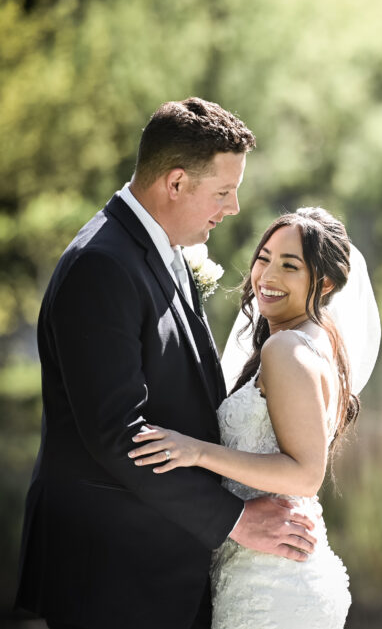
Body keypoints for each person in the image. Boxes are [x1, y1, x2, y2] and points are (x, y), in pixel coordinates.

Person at [16, 98, 319, 629]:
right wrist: (236, 521)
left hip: (160, 561)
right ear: (175, 183)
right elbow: (117, 434)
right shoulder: (101, 265)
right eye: (223, 192)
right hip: (110, 569)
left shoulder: (164, 249)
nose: (234, 208)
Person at [128, 207, 366, 628]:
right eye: (264, 258)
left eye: (289, 265)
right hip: (270, 568)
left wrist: (196, 452)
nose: (266, 276)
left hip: (273, 581)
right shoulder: (315, 338)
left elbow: (306, 474)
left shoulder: (286, 350)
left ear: (324, 283)